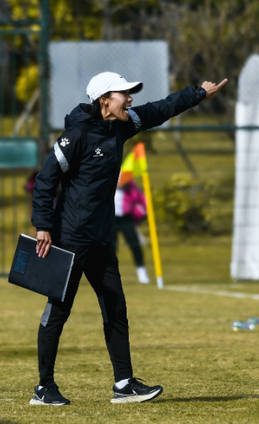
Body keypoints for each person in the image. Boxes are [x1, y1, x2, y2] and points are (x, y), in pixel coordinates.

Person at [30, 71, 226, 405]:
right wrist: (43, 225)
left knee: (116, 308)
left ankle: (124, 384)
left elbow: (158, 110)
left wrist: (197, 95)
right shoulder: (75, 135)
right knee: (58, 311)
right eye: (124, 93)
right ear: (104, 100)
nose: (130, 98)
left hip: (101, 240)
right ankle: (44, 388)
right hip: (71, 239)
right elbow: (45, 179)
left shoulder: (120, 125)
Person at [112, 179, 149, 284]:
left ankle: (142, 272)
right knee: (111, 248)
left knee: (134, 245)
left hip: (126, 218)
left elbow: (137, 196)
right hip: (111, 218)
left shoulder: (127, 179)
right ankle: (111, 275)